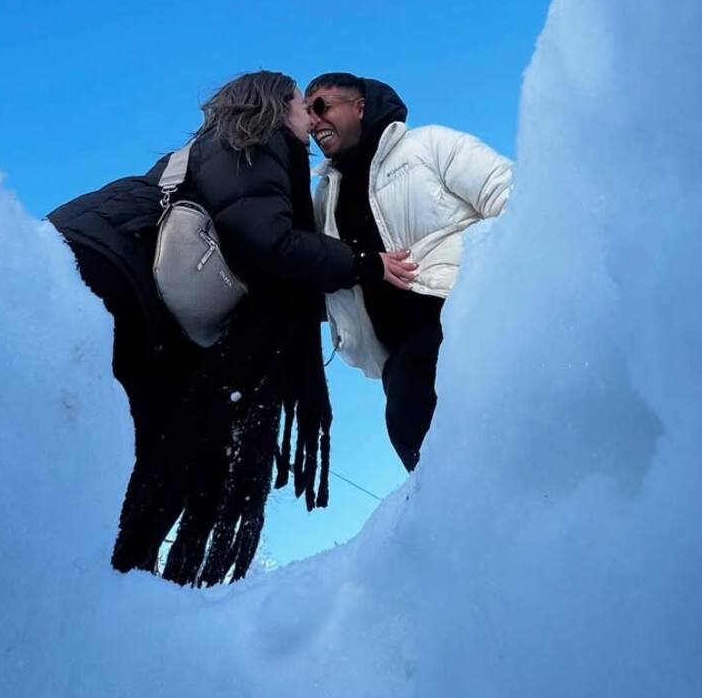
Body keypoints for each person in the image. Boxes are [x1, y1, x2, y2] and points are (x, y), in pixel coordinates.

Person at [48, 71, 414, 586]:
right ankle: (115, 574)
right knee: (154, 448)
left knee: (126, 447)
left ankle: (105, 580)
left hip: (115, 276)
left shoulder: (225, 150)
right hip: (110, 264)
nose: (311, 119)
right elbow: (267, 240)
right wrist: (364, 263)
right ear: (272, 103)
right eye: (301, 105)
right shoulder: (251, 139)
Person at [306, 73, 513, 471]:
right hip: (393, 354)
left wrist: (514, 284)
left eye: (322, 106)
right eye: (307, 112)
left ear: (359, 107)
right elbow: (320, 271)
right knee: (414, 437)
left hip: (461, 315)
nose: (314, 121)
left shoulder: (429, 145)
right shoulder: (325, 197)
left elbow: (507, 192)